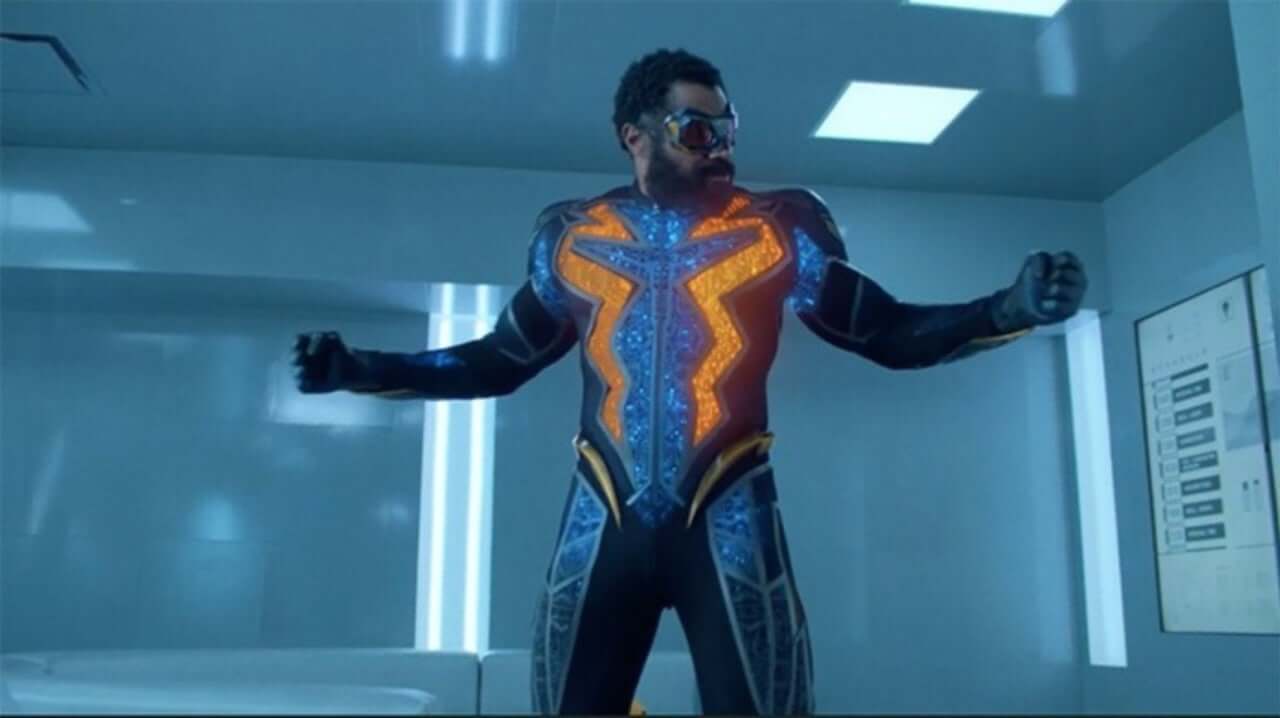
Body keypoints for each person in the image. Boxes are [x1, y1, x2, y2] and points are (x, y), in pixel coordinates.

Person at [292, 49, 1087, 716]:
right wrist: (363, 369)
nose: (720, 149)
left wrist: (1006, 308)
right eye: (697, 130)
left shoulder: (778, 229)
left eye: (727, 130)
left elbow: (883, 330)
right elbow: (499, 360)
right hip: (601, 524)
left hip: (730, 517)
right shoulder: (572, 238)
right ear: (634, 136)